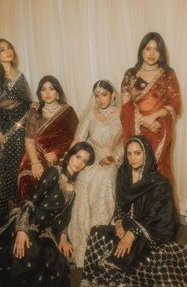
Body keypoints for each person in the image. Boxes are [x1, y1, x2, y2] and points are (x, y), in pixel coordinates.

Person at [0, 142, 95, 287]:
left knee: (58, 262)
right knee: (29, 255)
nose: (80, 163)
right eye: (78, 157)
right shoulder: (53, 172)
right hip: (28, 221)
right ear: (70, 155)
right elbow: (31, 202)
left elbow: (65, 217)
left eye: (84, 161)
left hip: (46, 231)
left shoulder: (73, 187)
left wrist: (63, 239)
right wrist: (21, 230)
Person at [81, 136, 187, 287]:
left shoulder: (159, 183)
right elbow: (120, 205)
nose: (132, 158)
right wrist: (118, 221)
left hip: (150, 231)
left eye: (137, 153)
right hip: (128, 224)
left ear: (146, 154)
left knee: (132, 260)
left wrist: (131, 234)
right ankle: (87, 280)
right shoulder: (123, 174)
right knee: (96, 232)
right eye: (129, 154)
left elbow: (154, 216)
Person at [68, 80, 123, 268]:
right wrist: (66, 162)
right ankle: (81, 240)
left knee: (105, 178)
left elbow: (127, 141)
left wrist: (115, 157)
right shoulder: (91, 114)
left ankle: (101, 238)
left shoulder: (122, 113)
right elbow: (79, 139)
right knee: (85, 175)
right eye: (97, 95)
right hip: (90, 156)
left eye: (104, 94)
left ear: (113, 95)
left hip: (111, 157)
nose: (100, 99)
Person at [120, 32, 181, 182]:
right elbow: (126, 104)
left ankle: (160, 205)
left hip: (159, 127)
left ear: (161, 53)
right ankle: (138, 205)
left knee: (160, 168)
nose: (152, 53)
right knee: (136, 166)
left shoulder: (168, 74)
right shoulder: (131, 74)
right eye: (148, 48)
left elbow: (175, 103)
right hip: (135, 127)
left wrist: (153, 116)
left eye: (156, 49)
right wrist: (142, 120)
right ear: (141, 50)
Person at [0, 38, 32, 217]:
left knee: (22, 165)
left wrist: (32, 106)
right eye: (3, 49)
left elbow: (26, 101)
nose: (8, 51)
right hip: (4, 130)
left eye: (9, 47)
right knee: (7, 167)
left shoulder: (20, 75)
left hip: (24, 128)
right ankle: (7, 208)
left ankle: (22, 205)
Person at [18, 75, 78, 199]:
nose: (47, 93)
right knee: (29, 177)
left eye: (51, 89)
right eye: (43, 89)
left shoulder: (68, 111)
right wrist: (35, 163)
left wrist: (58, 154)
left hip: (60, 157)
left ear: (57, 92)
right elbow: (29, 140)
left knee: (52, 179)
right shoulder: (34, 112)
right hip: (35, 155)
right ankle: (28, 212)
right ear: (40, 93)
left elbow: (75, 138)